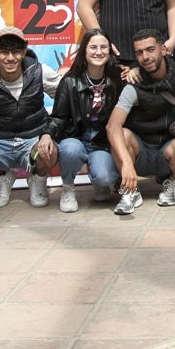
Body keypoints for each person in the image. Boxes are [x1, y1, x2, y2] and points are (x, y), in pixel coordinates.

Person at [0, 27, 60, 210]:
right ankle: (1, 178)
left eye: (16, 52)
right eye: (4, 52)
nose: (10, 58)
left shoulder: (40, 72)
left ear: (24, 52)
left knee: (49, 151)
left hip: (33, 141)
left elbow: (65, 100)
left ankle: (37, 180)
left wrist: (48, 132)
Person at [106, 29, 175, 214]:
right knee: (121, 134)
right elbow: (112, 125)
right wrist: (127, 164)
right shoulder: (133, 84)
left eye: (150, 49)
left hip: (167, 149)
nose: (145, 57)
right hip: (141, 151)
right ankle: (129, 192)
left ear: (163, 49)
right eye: (139, 53)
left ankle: (173, 184)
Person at [47, 28, 126, 212]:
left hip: (101, 143)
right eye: (93, 47)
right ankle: (68, 187)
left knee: (105, 177)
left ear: (110, 50)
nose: (98, 52)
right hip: (75, 138)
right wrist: (46, 134)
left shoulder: (118, 80)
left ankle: (99, 181)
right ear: (84, 50)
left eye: (103, 47)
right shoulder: (69, 81)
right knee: (70, 149)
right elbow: (59, 116)